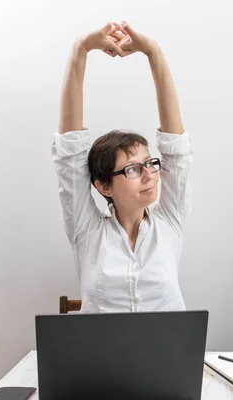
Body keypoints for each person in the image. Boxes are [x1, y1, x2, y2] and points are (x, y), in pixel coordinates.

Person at [52, 21, 192, 313]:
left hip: (165, 357)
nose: (148, 175)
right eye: (131, 169)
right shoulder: (87, 230)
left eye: (149, 164)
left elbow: (176, 149)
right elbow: (69, 150)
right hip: (100, 359)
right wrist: (80, 49)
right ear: (103, 186)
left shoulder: (170, 222)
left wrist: (153, 52)